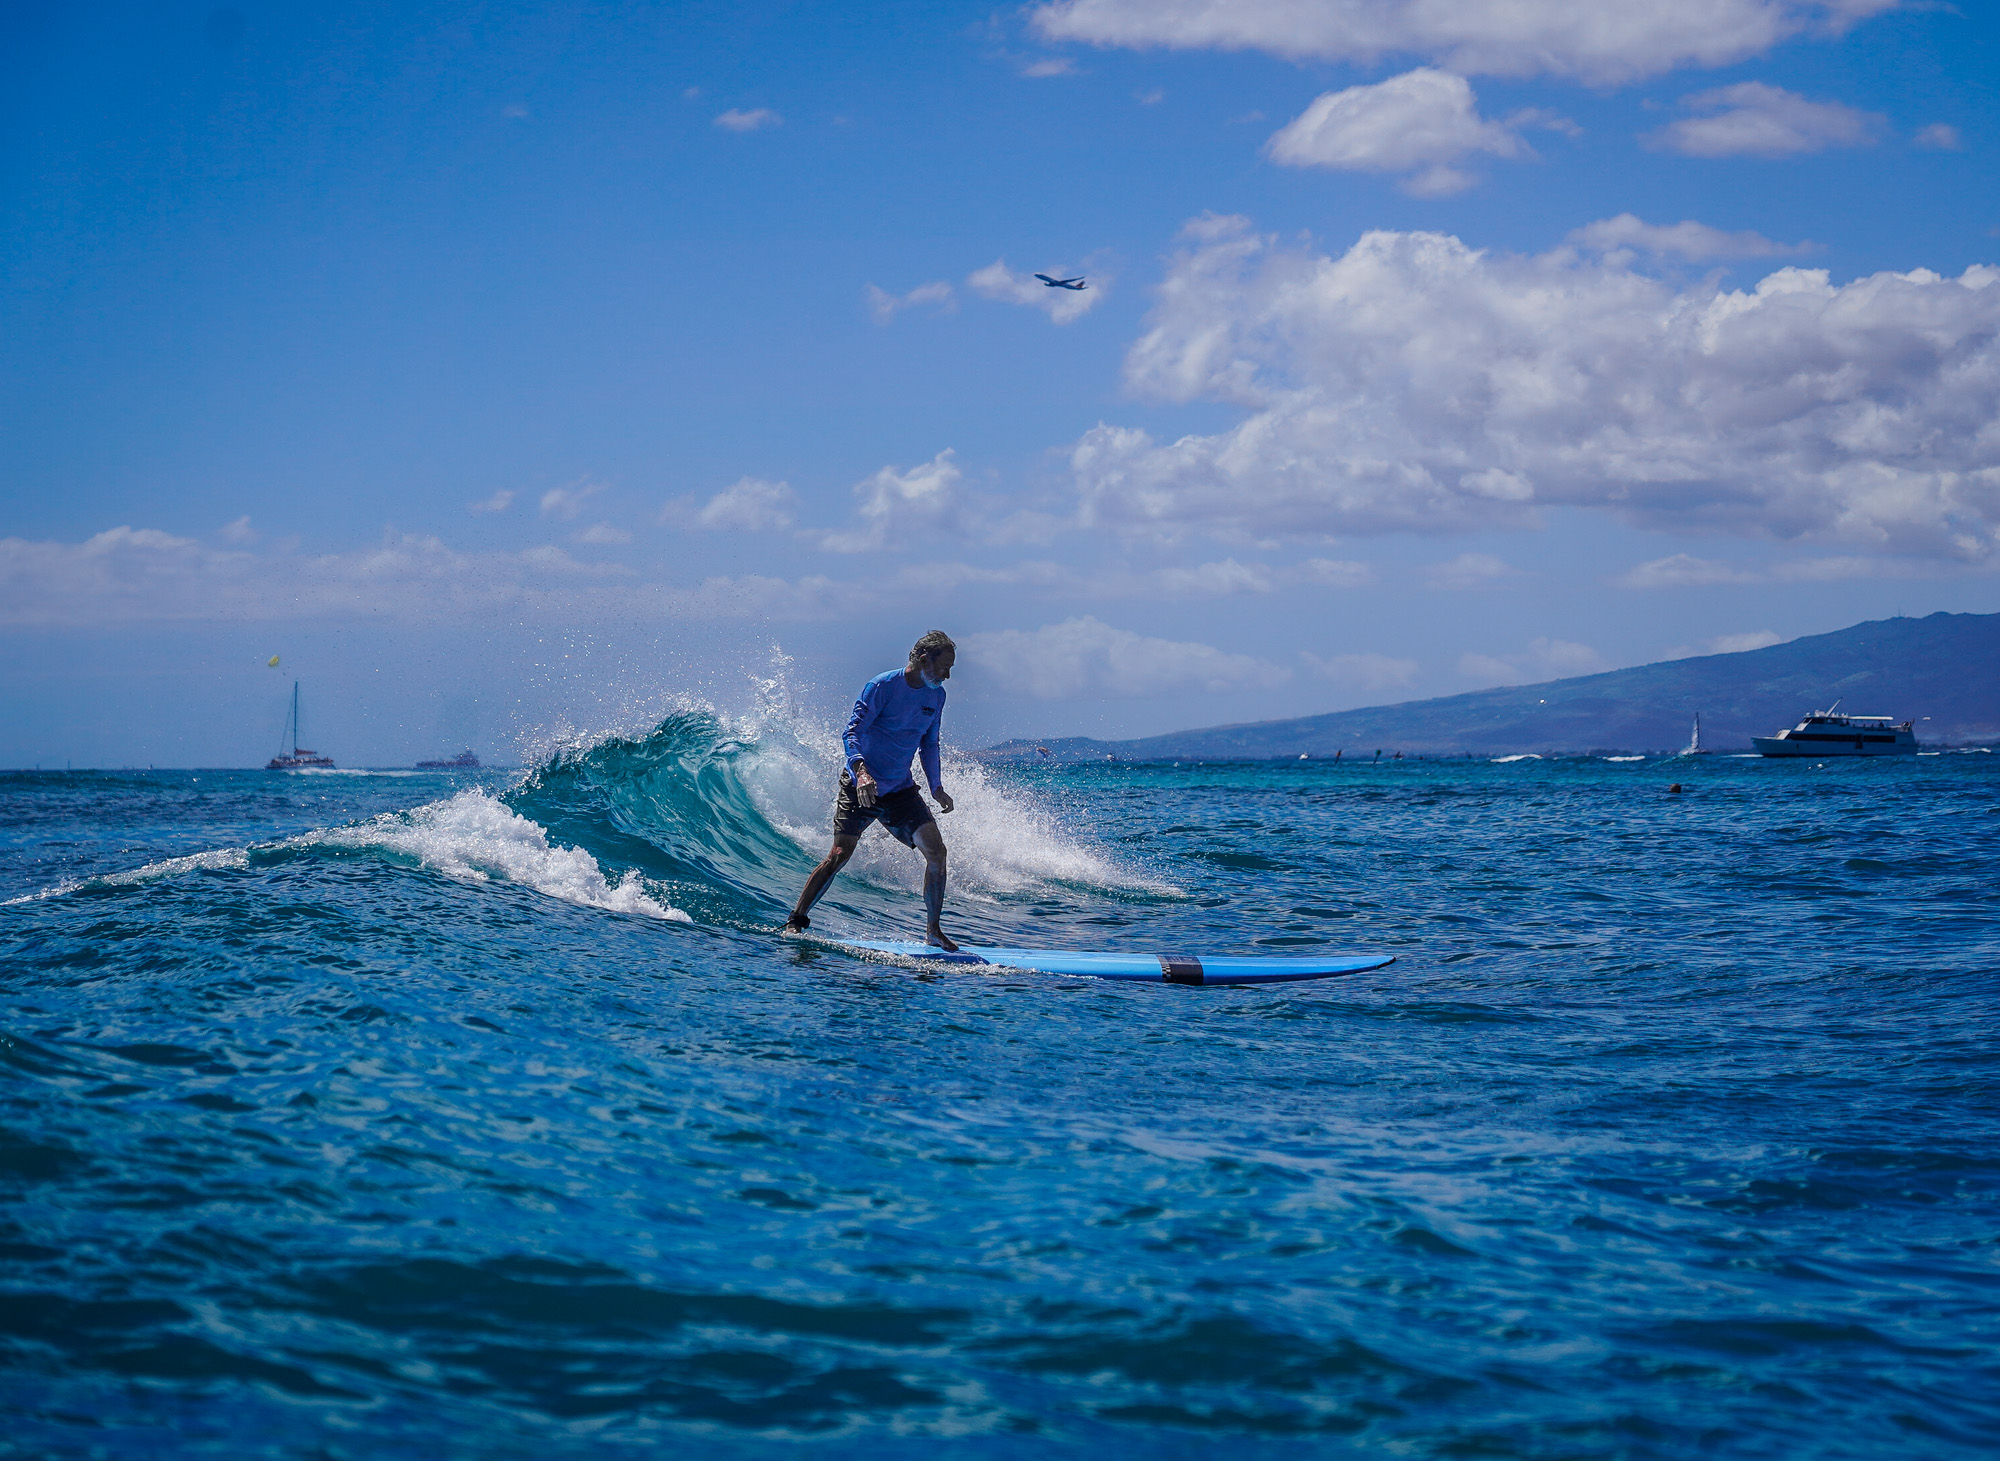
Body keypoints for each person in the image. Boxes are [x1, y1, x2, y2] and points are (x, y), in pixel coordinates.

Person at [784, 631, 960, 949]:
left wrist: (936, 787)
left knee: (937, 852)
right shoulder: (882, 686)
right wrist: (861, 772)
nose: (946, 675)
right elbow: (852, 732)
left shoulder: (937, 696)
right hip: (861, 785)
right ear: (924, 659)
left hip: (900, 789)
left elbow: (929, 743)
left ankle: (933, 931)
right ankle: (796, 920)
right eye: (944, 667)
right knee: (839, 854)